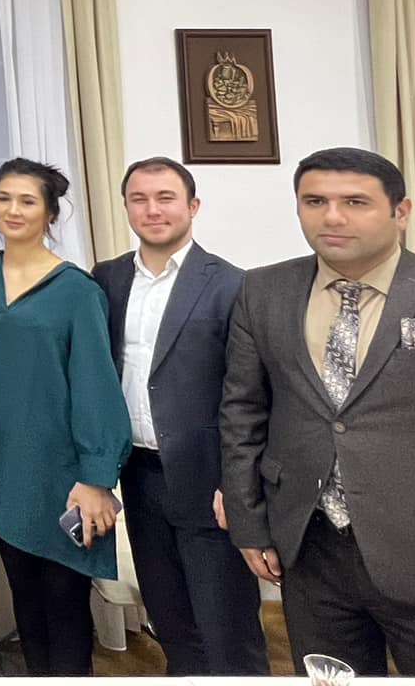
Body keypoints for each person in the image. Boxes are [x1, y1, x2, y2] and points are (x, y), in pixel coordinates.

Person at [221, 147, 415, 676]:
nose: (332, 217)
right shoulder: (262, 291)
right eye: (314, 201)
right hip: (311, 551)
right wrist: (249, 524)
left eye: (355, 202)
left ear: (400, 211)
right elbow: (242, 412)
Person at [92, 156, 267, 676]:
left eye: (165, 198)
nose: (153, 209)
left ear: (193, 206)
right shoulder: (107, 279)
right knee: (170, 620)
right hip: (139, 476)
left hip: (209, 480)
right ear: (126, 208)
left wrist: (238, 484)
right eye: (139, 199)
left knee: (227, 629)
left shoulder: (232, 284)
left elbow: (251, 394)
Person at [0, 158, 131, 676]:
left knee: (64, 605)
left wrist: (97, 477)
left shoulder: (77, 290)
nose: (13, 210)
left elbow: (96, 386)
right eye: (4, 198)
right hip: (0, 468)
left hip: (62, 474)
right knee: (26, 603)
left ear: (51, 212)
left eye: (27, 200)